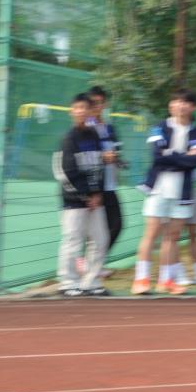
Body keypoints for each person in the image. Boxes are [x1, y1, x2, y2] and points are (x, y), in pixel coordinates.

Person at [132, 89, 196, 296]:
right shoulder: (160, 127)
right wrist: (182, 157)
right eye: (176, 101)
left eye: (185, 102)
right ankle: (141, 279)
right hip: (158, 188)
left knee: (172, 236)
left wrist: (171, 155)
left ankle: (166, 281)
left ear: (193, 107)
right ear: (171, 105)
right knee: (151, 233)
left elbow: (195, 161)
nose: (180, 105)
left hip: (183, 192)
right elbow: (157, 156)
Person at [52, 93, 110, 297]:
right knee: (73, 241)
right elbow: (66, 172)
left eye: (85, 108)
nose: (81, 111)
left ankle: (90, 282)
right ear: (71, 111)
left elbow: (100, 167)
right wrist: (86, 196)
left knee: (100, 239)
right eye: (77, 108)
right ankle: (67, 282)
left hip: (95, 199)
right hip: (74, 201)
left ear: (91, 111)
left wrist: (97, 193)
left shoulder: (95, 136)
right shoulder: (68, 138)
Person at [87, 87, 123, 278]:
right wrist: (103, 157)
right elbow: (83, 155)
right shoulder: (86, 127)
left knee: (115, 225)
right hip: (94, 186)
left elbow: (116, 151)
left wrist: (117, 158)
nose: (97, 106)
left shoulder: (108, 127)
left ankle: (95, 264)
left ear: (105, 104)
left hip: (110, 184)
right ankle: (89, 265)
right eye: (93, 103)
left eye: (100, 102)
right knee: (96, 228)